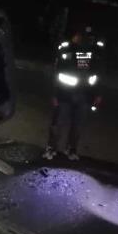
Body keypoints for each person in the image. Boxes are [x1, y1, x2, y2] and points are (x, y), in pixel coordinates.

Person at [43, 28, 104, 161]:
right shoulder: (66, 50)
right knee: (58, 123)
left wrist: (97, 94)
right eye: (80, 35)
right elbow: (56, 73)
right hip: (64, 94)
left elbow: (97, 74)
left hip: (84, 95)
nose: (83, 39)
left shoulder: (94, 52)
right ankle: (51, 148)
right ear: (75, 36)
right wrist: (54, 94)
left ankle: (71, 149)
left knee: (78, 125)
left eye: (87, 37)